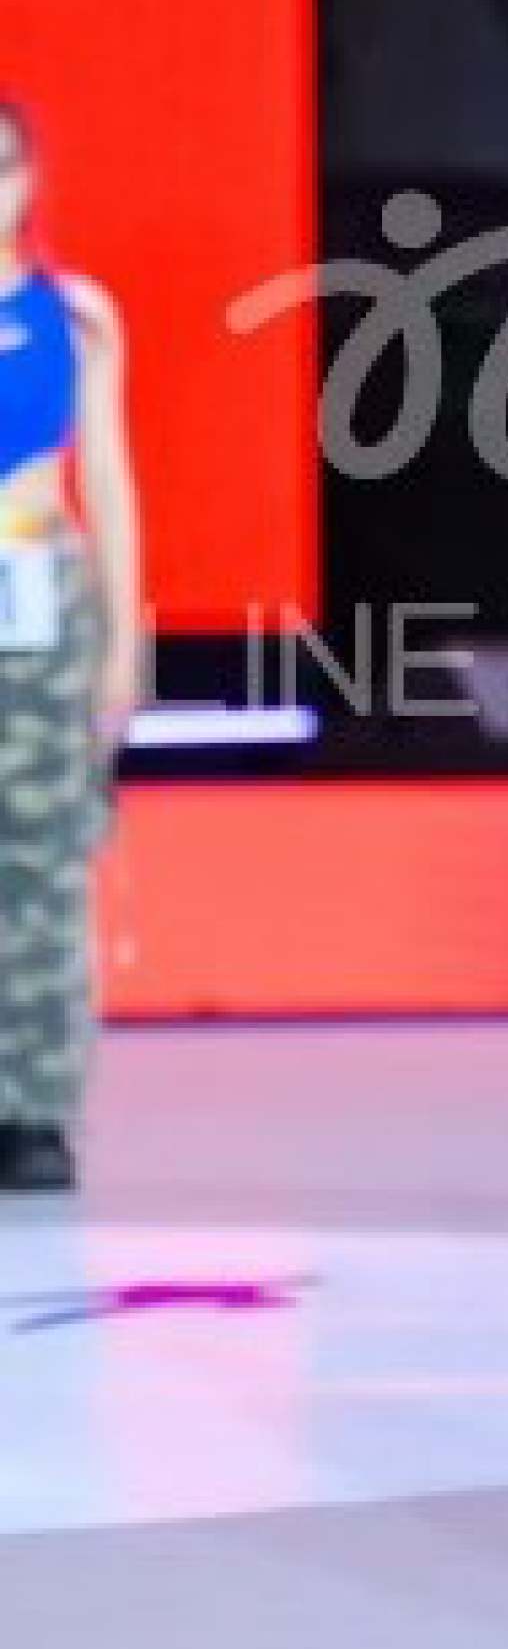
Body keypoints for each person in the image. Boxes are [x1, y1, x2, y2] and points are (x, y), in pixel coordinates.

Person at [0, 98, 142, 1194]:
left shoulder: (75, 314)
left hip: (40, 594)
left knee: (42, 867)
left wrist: (121, 643)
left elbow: (106, 476)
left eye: (5, 166)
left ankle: (33, 1109)